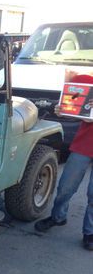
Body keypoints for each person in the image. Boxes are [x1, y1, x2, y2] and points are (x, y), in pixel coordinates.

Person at [35, 74, 93, 251]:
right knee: (65, 187)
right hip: (84, 145)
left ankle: (89, 232)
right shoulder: (86, 80)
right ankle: (58, 217)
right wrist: (63, 109)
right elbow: (72, 98)